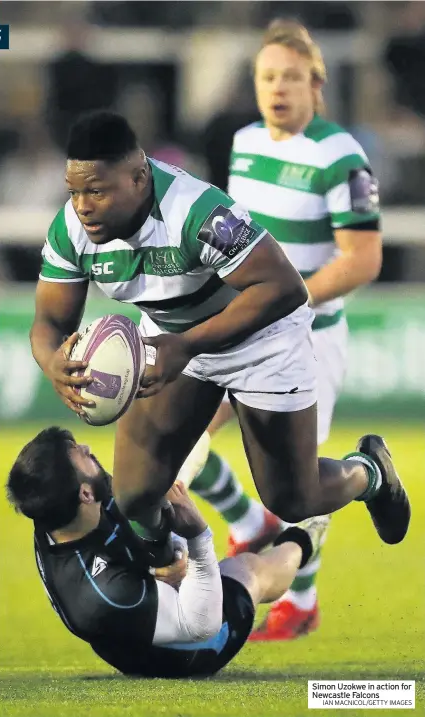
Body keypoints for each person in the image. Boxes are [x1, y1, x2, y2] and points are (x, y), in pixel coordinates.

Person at [30, 109, 409, 568]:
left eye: (97, 190)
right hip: (172, 342)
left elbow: (284, 288)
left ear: (138, 177)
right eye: (74, 191)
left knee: (293, 497)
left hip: (259, 340)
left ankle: (370, 473)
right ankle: (173, 571)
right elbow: (50, 322)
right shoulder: (71, 228)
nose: (83, 205)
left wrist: (187, 345)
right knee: (133, 497)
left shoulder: (197, 211)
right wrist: (52, 362)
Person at [181, 18, 394, 640]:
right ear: (254, 84)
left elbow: (363, 258)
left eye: (292, 78)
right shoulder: (245, 142)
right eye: (268, 76)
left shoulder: (339, 155)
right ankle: (245, 522)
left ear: (316, 85)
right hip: (245, 329)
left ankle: (301, 601)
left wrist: (287, 300)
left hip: (310, 338)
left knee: (299, 486)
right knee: (184, 435)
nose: (279, 88)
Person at [6, 427, 330, 678]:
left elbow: (134, 513)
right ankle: (306, 537)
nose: (89, 449)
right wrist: (196, 542)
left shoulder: (58, 511)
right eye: (82, 455)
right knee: (247, 571)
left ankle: (255, 525)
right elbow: (202, 623)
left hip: (134, 617)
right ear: (85, 494)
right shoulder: (101, 597)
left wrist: (157, 565)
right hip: (186, 650)